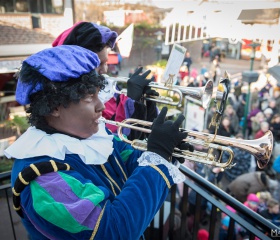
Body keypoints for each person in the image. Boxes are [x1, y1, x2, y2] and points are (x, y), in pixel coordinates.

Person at [4, 45, 191, 239]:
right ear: (54, 107)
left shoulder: (90, 137)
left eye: (98, 94)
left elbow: (132, 161)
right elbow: (113, 232)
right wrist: (157, 156)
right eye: (88, 97)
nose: (101, 105)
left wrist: (167, 152)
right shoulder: (40, 178)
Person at [52, 21, 159, 140]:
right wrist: (134, 104)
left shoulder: (111, 89)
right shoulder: (74, 101)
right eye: (98, 64)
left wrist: (146, 106)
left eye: (106, 63)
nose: (104, 70)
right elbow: (113, 141)